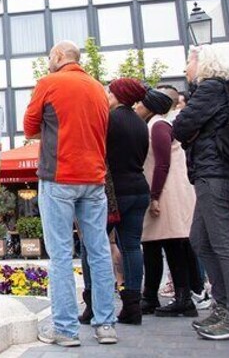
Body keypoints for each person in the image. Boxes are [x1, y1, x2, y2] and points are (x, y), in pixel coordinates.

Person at [24, 41, 117, 347]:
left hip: (58, 176)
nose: (48, 60)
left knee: (62, 254)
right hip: (94, 178)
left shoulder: (48, 83)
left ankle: (65, 329)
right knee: (99, 250)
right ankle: (106, 325)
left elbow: (29, 127)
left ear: (61, 56)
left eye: (50, 55)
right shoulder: (98, 89)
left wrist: (50, 130)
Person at [173, 45, 229, 340]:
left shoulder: (210, 88)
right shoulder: (222, 91)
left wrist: (190, 129)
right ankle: (223, 307)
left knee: (224, 244)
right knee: (200, 240)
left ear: (202, 63)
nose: (185, 69)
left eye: (188, 62)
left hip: (215, 173)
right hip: (215, 173)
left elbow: (181, 126)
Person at [80, 77, 150, 326]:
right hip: (139, 188)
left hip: (113, 193)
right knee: (131, 246)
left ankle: (93, 305)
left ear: (119, 95)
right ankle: (132, 306)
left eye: (110, 92)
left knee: (91, 246)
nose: (107, 96)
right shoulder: (140, 123)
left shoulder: (109, 119)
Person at [136, 87, 204, 317]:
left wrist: (155, 196)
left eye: (140, 104)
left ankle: (184, 298)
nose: (137, 107)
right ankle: (152, 296)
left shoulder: (158, 126)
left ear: (150, 107)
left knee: (173, 244)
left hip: (168, 192)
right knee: (154, 244)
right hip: (165, 190)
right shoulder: (155, 125)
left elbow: (162, 163)